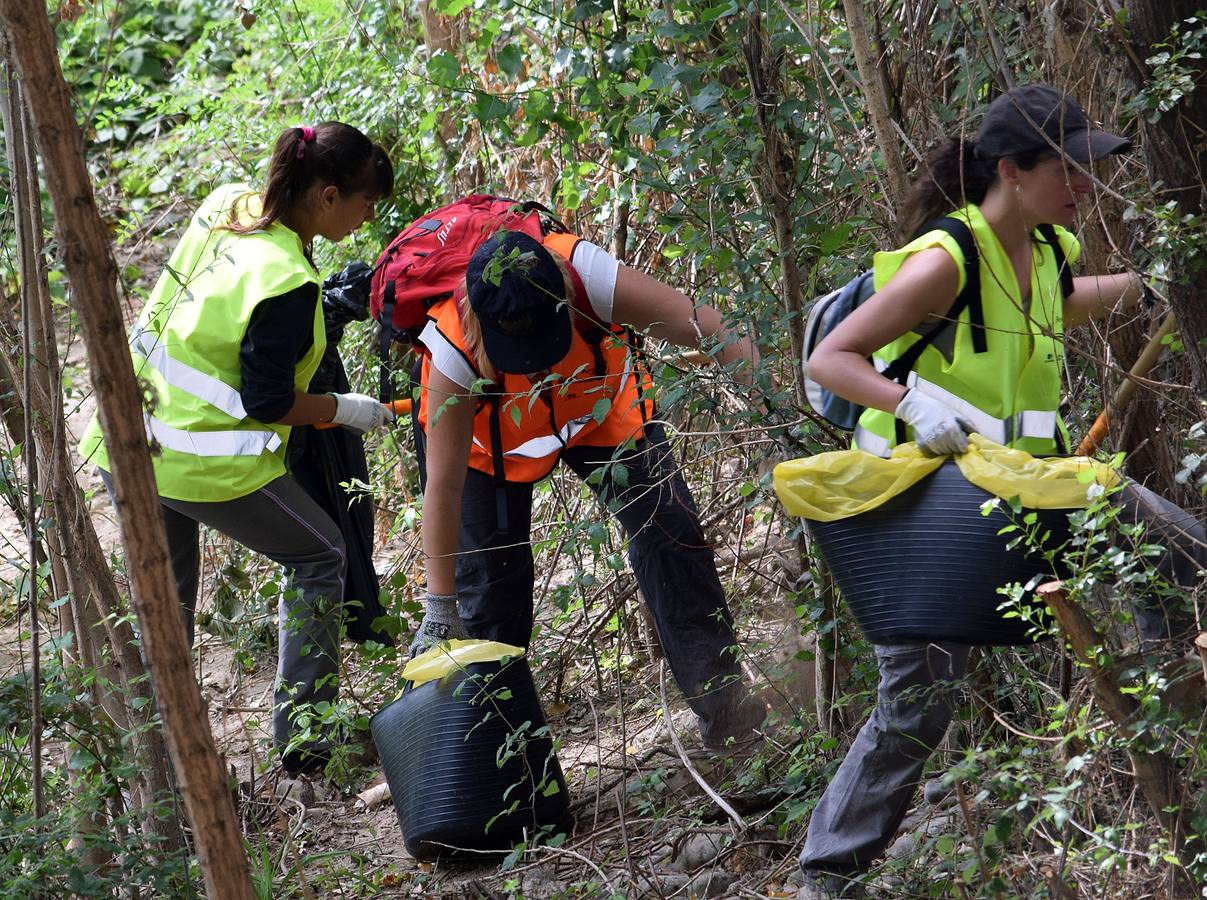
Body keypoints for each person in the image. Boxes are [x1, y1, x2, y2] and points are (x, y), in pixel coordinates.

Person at [798, 85, 1207, 896]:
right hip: (919, 509)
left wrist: (1151, 286)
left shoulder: (1048, 247)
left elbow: (1050, 307)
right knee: (918, 701)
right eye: (1070, 167)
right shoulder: (945, 258)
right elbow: (831, 358)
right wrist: (910, 401)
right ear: (1012, 172)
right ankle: (824, 875)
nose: (1085, 184)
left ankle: (1161, 710)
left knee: (1179, 543)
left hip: (1011, 494)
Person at [78, 122, 395, 775]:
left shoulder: (230, 204)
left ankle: (154, 766)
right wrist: (344, 408)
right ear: (328, 195)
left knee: (166, 603)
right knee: (320, 554)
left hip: (130, 431)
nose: (365, 222)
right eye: (365, 206)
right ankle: (306, 739)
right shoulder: (285, 280)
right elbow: (269, 402)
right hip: (199, 456)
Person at [411, 226, 763, 753]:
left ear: (565, 292)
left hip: (601, 411)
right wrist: (440, 605)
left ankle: (728, 715)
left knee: (671, 532)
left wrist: (778, 415)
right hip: (491, 449)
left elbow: (706, 326)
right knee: (488, 601)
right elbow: (443, 485)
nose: (537, 362)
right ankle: (509, 778)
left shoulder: (589, 274)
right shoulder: (452, 346)